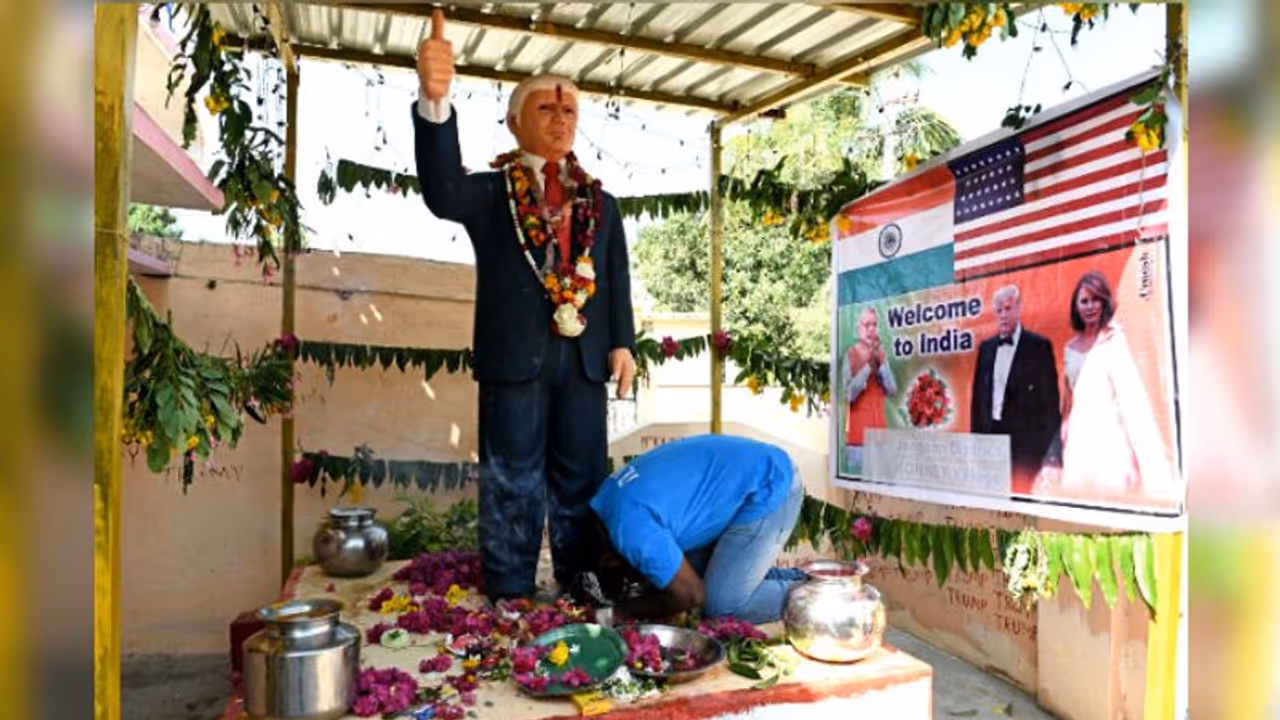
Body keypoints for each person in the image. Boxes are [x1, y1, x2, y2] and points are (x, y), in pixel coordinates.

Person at [412, 9, 637, 602]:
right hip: (514, 359)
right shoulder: (490, 194)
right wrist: (434, 103)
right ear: (515, 123)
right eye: (545, 108)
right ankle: (510, 584)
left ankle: (580, 575)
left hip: (586, 361)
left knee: (585, 475)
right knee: (511, 475)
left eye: (568, 111)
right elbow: (439, 192)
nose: (560, 119)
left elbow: (615, 276)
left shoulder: (602, 203)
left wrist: (623, 344)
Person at [585, 435, 805, 625]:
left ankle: (825, 596)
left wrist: (619, 612)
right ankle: (813, 580)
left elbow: (692, 596)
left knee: (720, 606)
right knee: (701, 577)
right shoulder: (606, 501)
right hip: (759, 470)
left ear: (609, 560)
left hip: (769, 485)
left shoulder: (630, 530)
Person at [1035, 272, 1173, 501]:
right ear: (1076, 306)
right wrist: (1056, 452)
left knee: (1111, 505)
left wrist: (1131, 457)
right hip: (1077, 442)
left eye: (1095, 299)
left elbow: (1131, 400)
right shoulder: (1070, 348)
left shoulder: (1115, 341)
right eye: (1084, 301)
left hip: (1109, 438)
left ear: (1104, 301)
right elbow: (1068, 404)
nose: (1090, 306)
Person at [969, 284, 1060, 493]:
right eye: (999, 311)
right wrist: (976, 446)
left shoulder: (1039, 346)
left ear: (1019, 309)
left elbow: (1050, 406)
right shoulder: (986, 348)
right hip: (991, 439)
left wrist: (1052, 455)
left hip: (1026, 445)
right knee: (992, 499)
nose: (1003, 315)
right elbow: (978, 401)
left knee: (1022, 501)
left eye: (1008, 309)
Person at [844, 306, 897, 472]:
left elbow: (892, 390)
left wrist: (880, 365)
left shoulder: (880, 354)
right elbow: (848, 394)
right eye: (867, 325)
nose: (871, 329)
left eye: (874, 324)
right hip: (857, 441)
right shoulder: (850, 355)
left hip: (880, 439)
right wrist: (868, 368)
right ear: (858, 328)